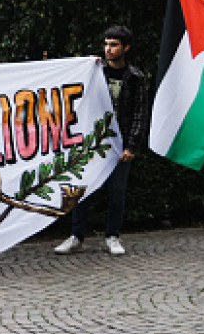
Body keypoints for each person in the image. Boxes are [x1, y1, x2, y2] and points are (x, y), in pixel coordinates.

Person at [55, 25, 149, 256]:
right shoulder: (96, 72)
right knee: (82, 189)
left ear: (126, 48)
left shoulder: (135, 78)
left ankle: (112, 236)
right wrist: (87, 67)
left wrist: (131, 146)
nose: (109, 49)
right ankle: (76, 236)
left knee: (117, 192)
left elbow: (139, 114)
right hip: (93, 143)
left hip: (119, 144)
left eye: (114, 44)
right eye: (106, 44)